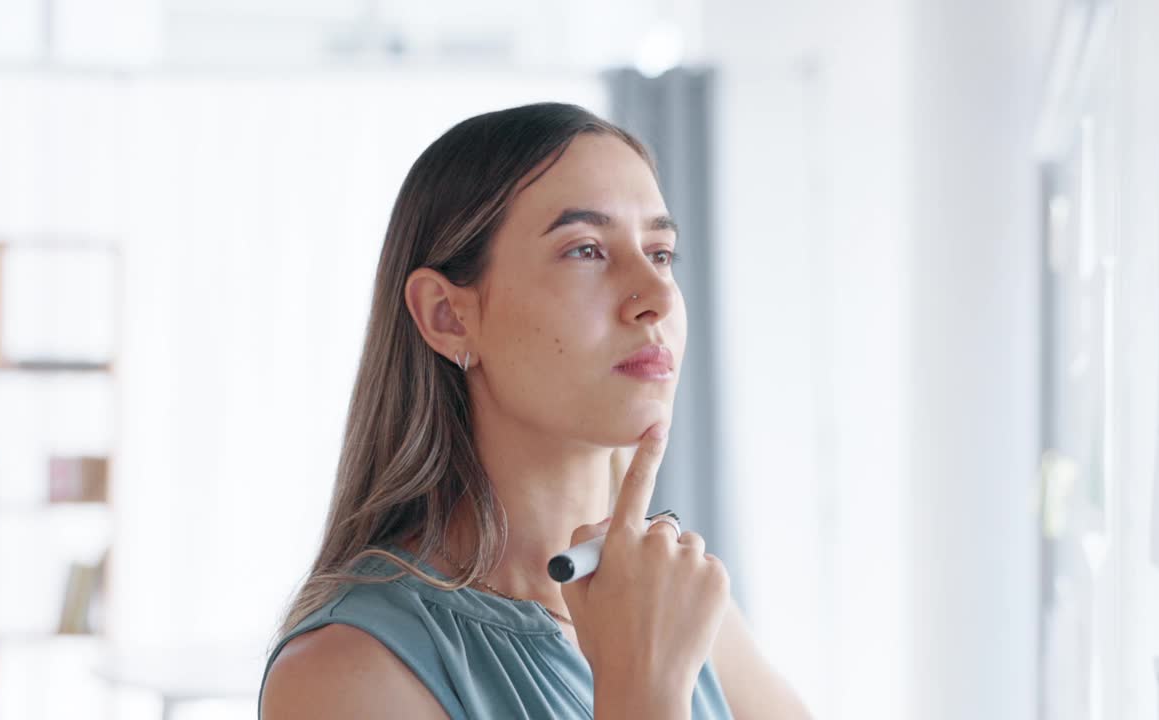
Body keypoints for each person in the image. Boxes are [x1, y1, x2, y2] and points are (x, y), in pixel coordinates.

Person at [258, 102, 810, 719]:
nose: (655, 297)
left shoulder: (678, 605)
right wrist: (644, 693)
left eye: (659, 253)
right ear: (447, 314)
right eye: (586, 251)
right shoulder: (342, 675)